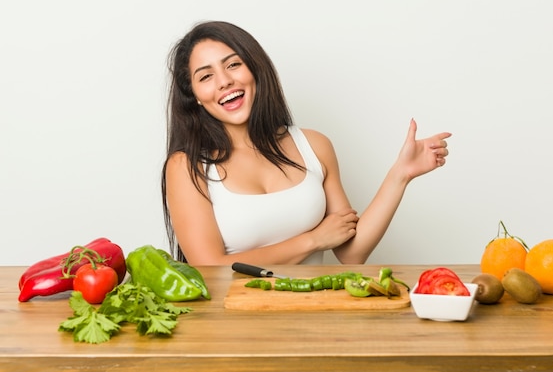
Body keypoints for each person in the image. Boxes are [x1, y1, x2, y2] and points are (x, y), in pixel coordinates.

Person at [161, 21, 451, 266]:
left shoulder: (313, 146)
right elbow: (210, 269)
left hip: (314, 317)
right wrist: (313, 240)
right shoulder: (186, 166)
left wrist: (400, 175)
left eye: (233, 64)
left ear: (255, 70)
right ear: (195, 95)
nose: (224, 81)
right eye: (206, 76)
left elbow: (351, 253)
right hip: (236, 325)